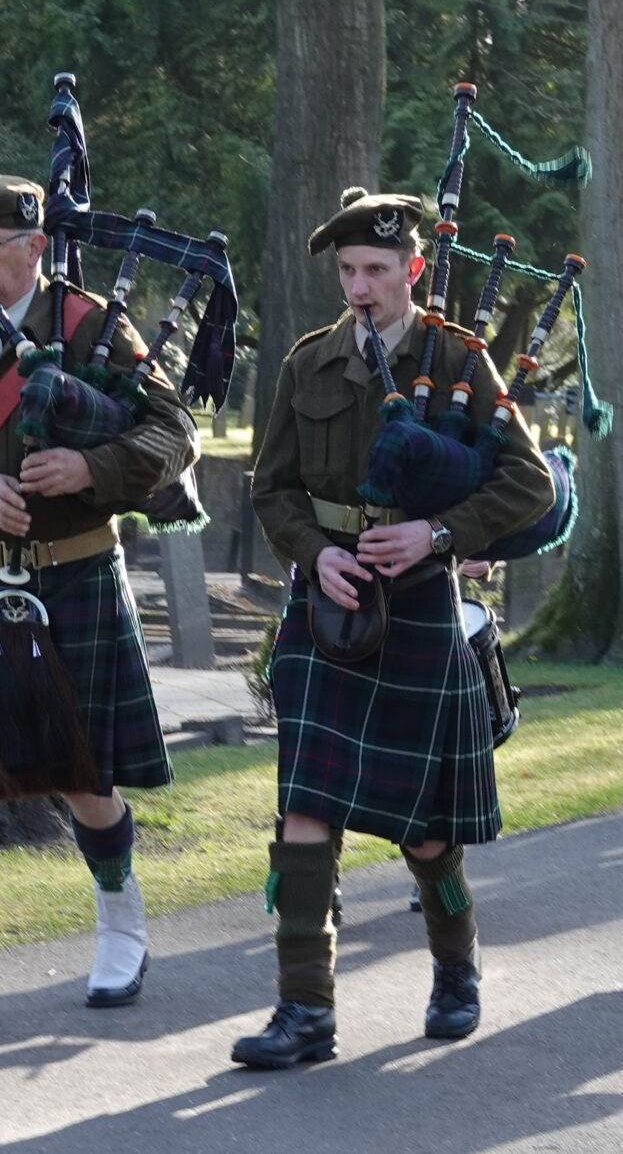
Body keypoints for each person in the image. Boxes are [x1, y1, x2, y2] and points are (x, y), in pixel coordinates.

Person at [236, 189, 554, 1068]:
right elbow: (272, 488)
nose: (360, 287)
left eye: (376, 269)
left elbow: (530, 484)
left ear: (412, 268)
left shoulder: (459, 362)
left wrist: (439, 534)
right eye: (348, 271)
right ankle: (304, 1008)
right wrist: (313, 554)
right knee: (304, 809)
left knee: (425, 831)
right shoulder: (309, 363)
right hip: (327, 605)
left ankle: (455, 966)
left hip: (414, 600)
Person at [0, 163, 200, 1038]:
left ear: (34, 247)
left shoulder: (95, 327)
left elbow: (176, 434)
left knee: (82, 777)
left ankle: (123, 924)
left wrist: (90, 468)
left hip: (75, 573)